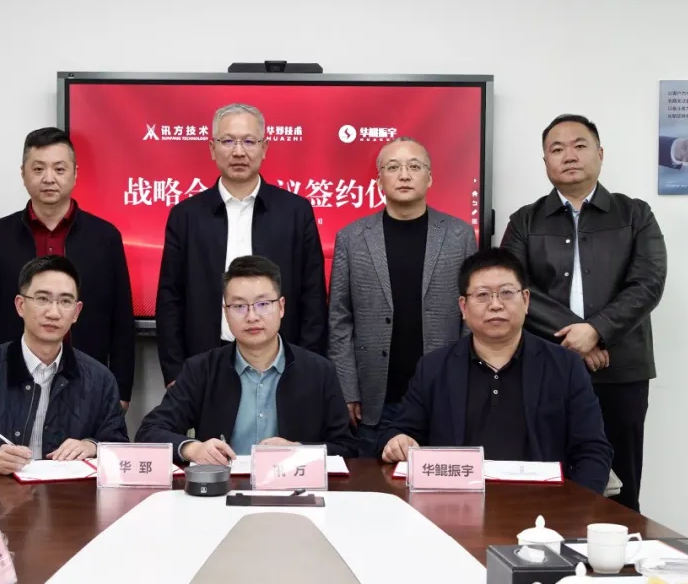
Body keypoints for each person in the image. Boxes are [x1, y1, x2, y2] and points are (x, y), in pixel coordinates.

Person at [500, 114, 667, 511]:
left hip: (620, 368)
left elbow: (648, 282)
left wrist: (597, 331)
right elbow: (513, 286)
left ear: (600, 154)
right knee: (542, 477)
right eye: (557, 149)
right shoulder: (525, 220)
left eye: (579, 145)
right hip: (546, 366)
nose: (569, 155)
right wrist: (577, 334)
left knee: (621, 482)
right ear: (545, 161)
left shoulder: (635, 214)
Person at [379, 248, 612, 494]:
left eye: (506, 293)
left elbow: (593, 451)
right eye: (482, 295)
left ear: (526, 300)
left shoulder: (565, 366)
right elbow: (399, 431)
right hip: (454, 504)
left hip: (541, 507)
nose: (496, 305)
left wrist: (573, 507)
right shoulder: (434, 367)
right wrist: (397, 442)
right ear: (463, 307)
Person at [155, 104, 327, 386]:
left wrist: (306, 366)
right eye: (227, 141)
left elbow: (314, 298)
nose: (238, 151)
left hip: (283, 365)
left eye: (249, 141)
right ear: (212, 148)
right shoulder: (186, 216)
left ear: (264, 147)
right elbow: (170, 299)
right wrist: (175, 372)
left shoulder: (296, 212)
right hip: (204, 363)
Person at [0, 127, 135, 409]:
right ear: (23, 174)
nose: (48, 178)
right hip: (8, 383)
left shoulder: (105, 237)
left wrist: (121, 390)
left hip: (87, 383)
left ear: (75, 173)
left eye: (59, 168)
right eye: (38, 168)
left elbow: (121, 320)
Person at [328, 137, 477, 457]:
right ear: (379, 179)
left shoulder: (460, 235)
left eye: (415, 166)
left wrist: (465, 380)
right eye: (393, 167)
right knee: (371, 484)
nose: (404, 175)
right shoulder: (352, 238)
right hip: (374, 398)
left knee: (441, 483)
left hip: (443, 392)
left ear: (430, 177)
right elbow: (339, 319)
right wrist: (347, 388)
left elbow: (470, 318)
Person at [138, 255, 357, 464]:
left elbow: (346, 447)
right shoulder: (201, 370)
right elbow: (150, 431)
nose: (252, 316)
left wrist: (299, 451)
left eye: (263, 304)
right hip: (222, 486)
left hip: (293, 485)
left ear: (281, 307)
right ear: (225, 313)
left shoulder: (319, 371)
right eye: (239, 306)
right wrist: (192, 449)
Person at [0, 255, 128, 478]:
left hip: (69, 496)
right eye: (42, 299)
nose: (53, 313)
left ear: (76, 312)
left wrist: (92, 446)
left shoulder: (100, 379)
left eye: (65, 301)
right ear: (20, 305)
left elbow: (119, 445)